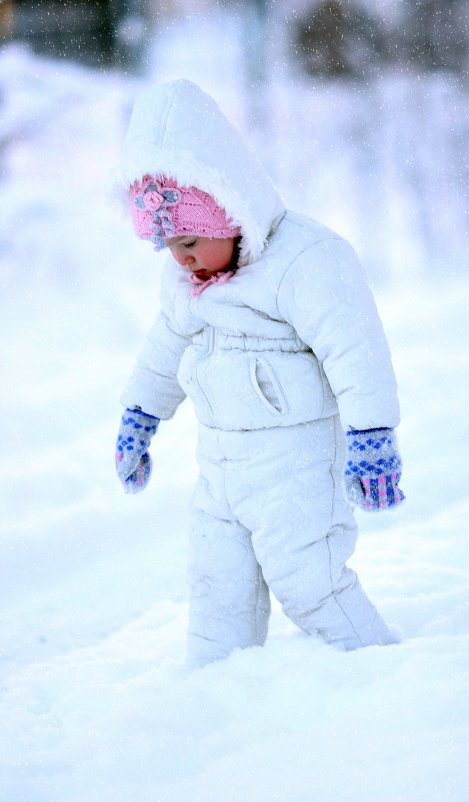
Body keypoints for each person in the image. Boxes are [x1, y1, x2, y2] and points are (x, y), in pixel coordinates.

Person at [112, 79, 405, 669]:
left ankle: (382, 676)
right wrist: (139, 417)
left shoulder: (304, 260)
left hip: (294, 470)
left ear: (230, 210)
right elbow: (162, 352)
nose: (182, 258)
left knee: (310, 584)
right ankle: (216, 700)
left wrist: (372, 437)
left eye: (191, 240)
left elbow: (356, 350)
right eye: (168, 245)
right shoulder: (184, 287)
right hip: (219, 474)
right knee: (217, 593)